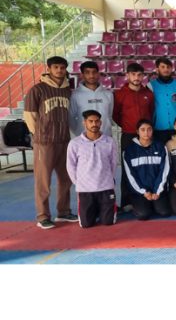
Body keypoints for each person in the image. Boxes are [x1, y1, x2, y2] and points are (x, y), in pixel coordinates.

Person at [23, 55, 77, 229]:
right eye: (56, 67)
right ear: (49, 69)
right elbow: (30, 115)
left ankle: (63, 211)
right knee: (43, 181)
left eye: (62, 68)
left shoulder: (68, 91)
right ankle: (43, 216)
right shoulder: (37, 90)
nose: (59, 71)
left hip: (64, 140)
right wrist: (38, 134)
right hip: (44, 142)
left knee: (65, 179)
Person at [66, 110, 118, 228]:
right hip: (85, 190)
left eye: (96, 121)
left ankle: (103, 210)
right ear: (85, 123)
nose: (94, 124)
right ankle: (94, 210)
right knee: (86, 224)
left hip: (106, 188)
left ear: (100, 123)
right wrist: (78, 183)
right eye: (91, 121)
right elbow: (70, 166)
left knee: (108, 222)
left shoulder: (109, 141)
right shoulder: (75, 143)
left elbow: (113, 163)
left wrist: (109, 179)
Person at [113, 62, 154, 212]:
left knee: (147, 166)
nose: (137, 77)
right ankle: (126, 201)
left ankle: (147, 196)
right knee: (127, 168)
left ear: (143, 76)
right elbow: (116, 115)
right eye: (133, 74)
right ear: (127, 75)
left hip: (147, 136)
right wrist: (128, 126)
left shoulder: (148, 94)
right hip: (129, 135)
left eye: (139, 75)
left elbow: (151, 112)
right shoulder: (119, 94)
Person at [122, 119, 172, 220]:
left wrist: (157, 191)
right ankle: (138, 204)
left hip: (157, 190)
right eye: (143, 130)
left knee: (164, 212)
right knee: (143, 215)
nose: (146, 133)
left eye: (149, 129)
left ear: (153, 131)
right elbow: (130, 176)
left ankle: (153, 203)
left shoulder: (161, 147)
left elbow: (164, 170)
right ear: (137, 131)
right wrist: (144, 192)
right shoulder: (129, 151)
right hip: (139, 192)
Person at [68, 60, 114, 138]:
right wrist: (79, 133)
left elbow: (109, 115)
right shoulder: (75, 95)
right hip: (83, 140)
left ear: (98, 74)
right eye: (87, 72)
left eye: (94, 72)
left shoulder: (108, 94)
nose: (91, 75)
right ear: (82, 75)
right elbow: (71, 117)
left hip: (105, 138)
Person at [147, 58, 176, 144]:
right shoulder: (150, 86)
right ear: (157, 69)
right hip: (159, 128)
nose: (166, 69)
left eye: (168, 67)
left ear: (171, 69)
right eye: (162, 67)